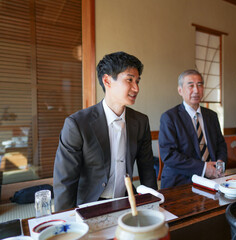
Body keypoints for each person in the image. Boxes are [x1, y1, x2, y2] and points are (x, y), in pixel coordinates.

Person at [53, 51, 157, 211]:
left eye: (137, 81)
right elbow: (65, 181)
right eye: (129, 80)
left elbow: (147, 169)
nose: (136, 88)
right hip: (90, 203)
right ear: (107, 81)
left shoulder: (141, 121)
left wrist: (153, 204)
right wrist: (65, 221)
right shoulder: (77, 124)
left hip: (127, 200)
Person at [159, 69, 227, 189]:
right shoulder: (170, 117)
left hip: (212, 179)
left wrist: (219, 165)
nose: (196, 90)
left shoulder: (211, 115)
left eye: (199, 85)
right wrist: (204, 168)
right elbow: (169, 155)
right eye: (191, 86)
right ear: (180, 90)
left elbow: (220, 144)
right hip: (181, 181)